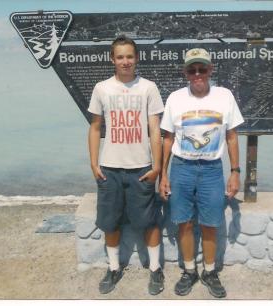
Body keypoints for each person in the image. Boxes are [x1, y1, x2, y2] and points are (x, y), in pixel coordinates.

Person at [159, 48, 244, 298]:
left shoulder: (225, 96)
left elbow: (231, 136)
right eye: (192, 69)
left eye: (202, 69)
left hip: (212, 170)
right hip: (182, 168)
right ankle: (189, 271)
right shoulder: (175, 98)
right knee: (183, 223)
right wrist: (163, 174)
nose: (197, 74)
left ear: (210, 70)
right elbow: (167, 138)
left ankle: (209, 271)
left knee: (210, 223)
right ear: (185, 72)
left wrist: (235, 171)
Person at [88, 36, 165, 295]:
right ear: (112, 59)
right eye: (120, 57)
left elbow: (155, 130)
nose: (125, 62)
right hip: (109, 167)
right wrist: (93, 163)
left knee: (149, 221)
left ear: (137, 58)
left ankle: (155, 269)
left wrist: (157, 167)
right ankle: (113, 268)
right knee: (110, 222)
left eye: (129, 56)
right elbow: (95, 127)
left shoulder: (148, 88)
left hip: (141, 168)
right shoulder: (102, 88)